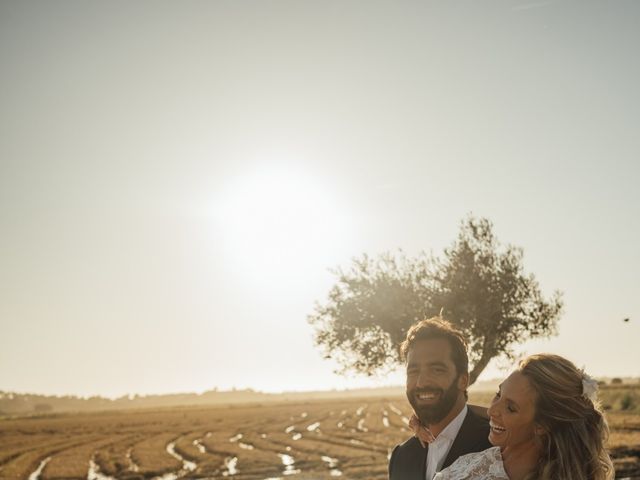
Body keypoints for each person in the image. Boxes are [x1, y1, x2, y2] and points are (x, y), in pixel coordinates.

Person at [433, 353, 615, 480]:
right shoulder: (466, 468)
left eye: (511, 408)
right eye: (498, 394)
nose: (491, 411)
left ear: (542, 424)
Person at [388, 317, 492, 480]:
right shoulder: (401, 457)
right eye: (413, 371)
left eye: (437, 370)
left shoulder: (499, 445)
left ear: (463, 380)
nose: (421, 382)